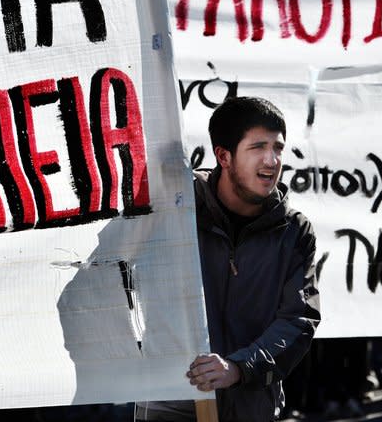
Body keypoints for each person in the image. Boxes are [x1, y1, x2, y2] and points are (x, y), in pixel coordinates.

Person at [136, 97, 320, 421]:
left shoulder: (294, 232)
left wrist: (239, 368)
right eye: (258, 147)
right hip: (171, 405)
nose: (272, 159)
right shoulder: (176, 213)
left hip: (253, 408)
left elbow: (298, 321)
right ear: (224, 156)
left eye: (278, 147)